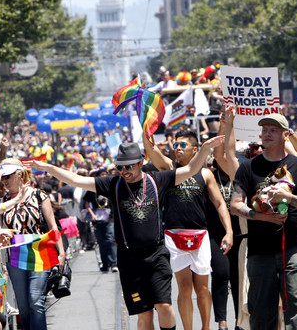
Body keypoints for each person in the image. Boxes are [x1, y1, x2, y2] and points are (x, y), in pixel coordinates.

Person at [29, 138, 224, 330]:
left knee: (164, 307)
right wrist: (48, 168)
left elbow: (190, 170)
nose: (124, 172)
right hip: (129, 259)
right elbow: (77, 180)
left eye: (129, 167)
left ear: (140, 162)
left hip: (157, 255)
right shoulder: (114, 184)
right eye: (120, 167)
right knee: (144, 314)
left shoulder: (158, 180)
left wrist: (205, 148)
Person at [231, 113, 297, 330]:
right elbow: (235, 204)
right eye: (265, 130)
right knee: (261, 314)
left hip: (293, 249)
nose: (267, 134)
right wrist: (261, 216)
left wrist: (288, 198)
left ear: (286, 135)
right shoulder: (248, 167)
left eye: (273, 130)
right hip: (260, 252)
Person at [142, 130, 233, 330]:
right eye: (175, 145)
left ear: (195, 149)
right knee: (184, 288)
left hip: (200, 235)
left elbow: (219, 204)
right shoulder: (168, 168)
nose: (177, 149)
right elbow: (151, 150)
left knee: (202, 288)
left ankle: (206, 327)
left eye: (183, 145)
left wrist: (229, 231)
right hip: (174, 236)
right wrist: (145, 131)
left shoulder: (206, 173)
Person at [0, 158, 66, 330]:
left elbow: (52, 225)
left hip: (39, 252)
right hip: (15, 255)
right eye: (3, 177)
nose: (5, 181)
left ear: (19, 175)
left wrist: (61, 252)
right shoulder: (1, 202)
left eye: (8, 176)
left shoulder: (39, 195)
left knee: (35, 300)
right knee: (24, 306)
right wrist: (2, 233)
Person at [83, 167, 118, 272]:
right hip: (97, 220)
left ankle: (114, 263)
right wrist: (92, 214)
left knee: (110, 239)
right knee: (101, 242)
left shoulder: (111, 186)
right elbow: (86, 203)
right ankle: (105, 264)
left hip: (110, 218)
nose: (103, 176)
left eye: (105, 174)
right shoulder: (92, 189)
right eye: (101, 175)